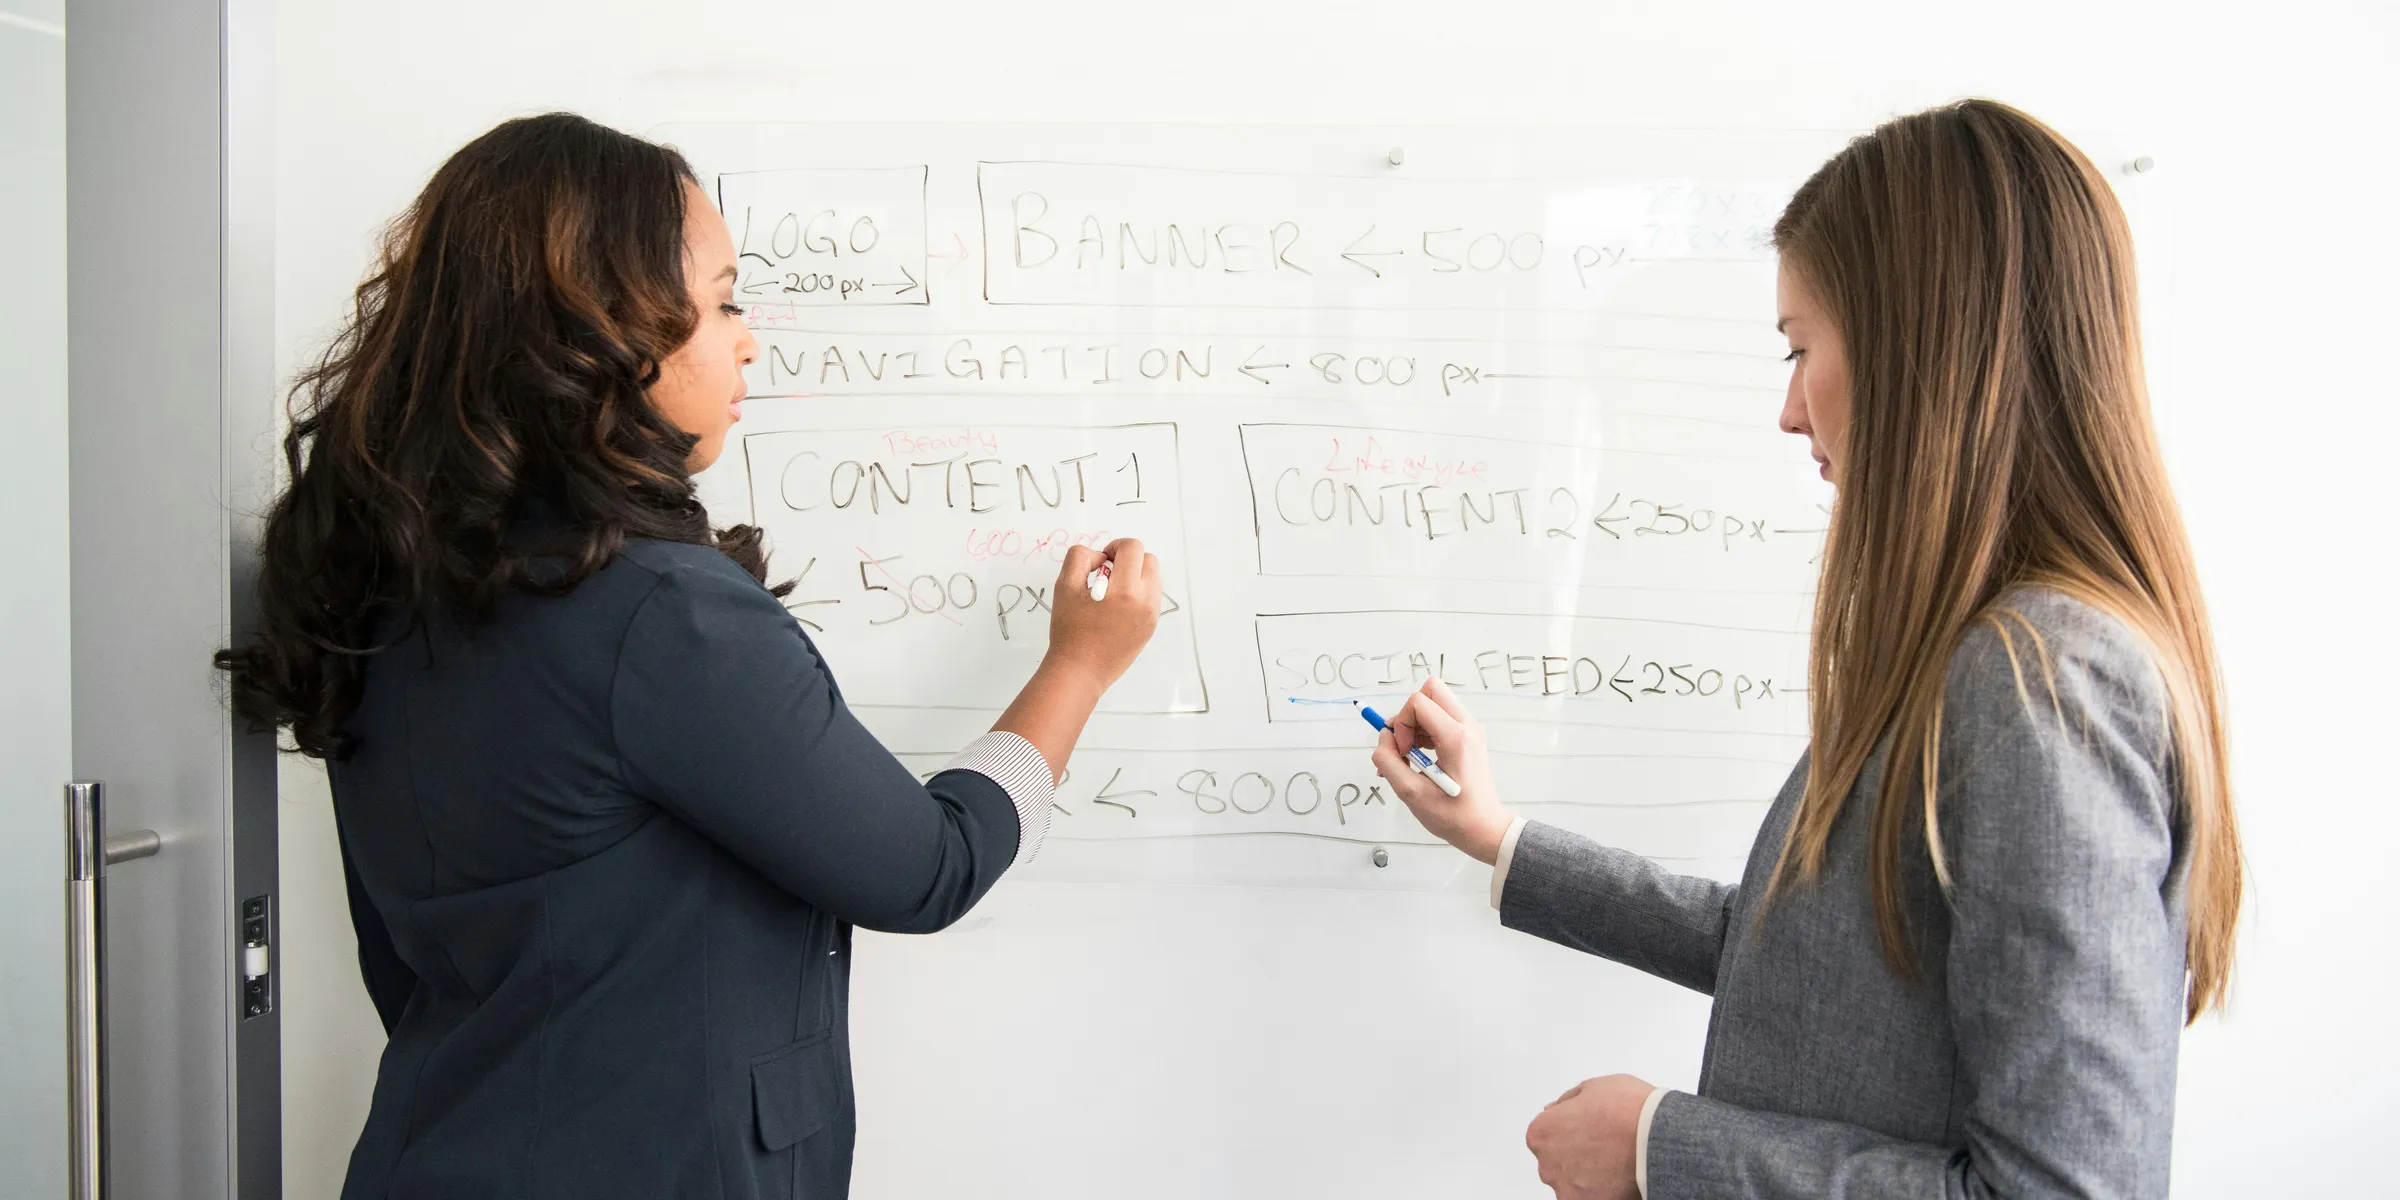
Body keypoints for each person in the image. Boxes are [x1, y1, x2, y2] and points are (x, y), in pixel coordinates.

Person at [215, 113, 1161, 1200]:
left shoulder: (387, 579)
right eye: (721, 300)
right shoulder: (655, 613)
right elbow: (926, 869)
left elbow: (413, 959)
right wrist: (1080, 666)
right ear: (598, 329)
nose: (748, 338)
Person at [1372, 99, 2241, 1200]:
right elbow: (1807, 957)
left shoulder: (2042, 680)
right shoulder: (1974, 655)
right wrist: (1496, 838)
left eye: (1802, 350)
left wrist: (1659, 1151)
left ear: (1925, 351)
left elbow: (2063, 1191)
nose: (1790, 411)